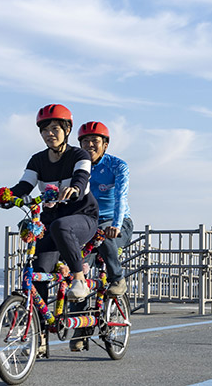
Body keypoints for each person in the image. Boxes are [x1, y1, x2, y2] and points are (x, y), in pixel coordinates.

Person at [0, 103, 98, 302]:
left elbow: (81, 176)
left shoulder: (79, 155)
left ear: (67, 130)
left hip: (82, 217)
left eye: (55, 128)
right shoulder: (37, 160)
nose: (49, 134)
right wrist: (1, 197)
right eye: (45, 130)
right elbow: (22, 188)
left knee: (60, 226)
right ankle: (40, 329)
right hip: (52, 223)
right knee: (38, 271)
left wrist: (74, 188)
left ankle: (79, 279)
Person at [77, 121, 133, 297]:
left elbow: (120, 198)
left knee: (103, 234)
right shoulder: (78, 167)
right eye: (85, 141)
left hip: (117, 222)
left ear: (105, 144)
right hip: (89, 222)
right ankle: (80, 315)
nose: (90, 145)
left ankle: (118, 278)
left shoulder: (117, 166)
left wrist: (116, 225)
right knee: (79, 266)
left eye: (95, 140)